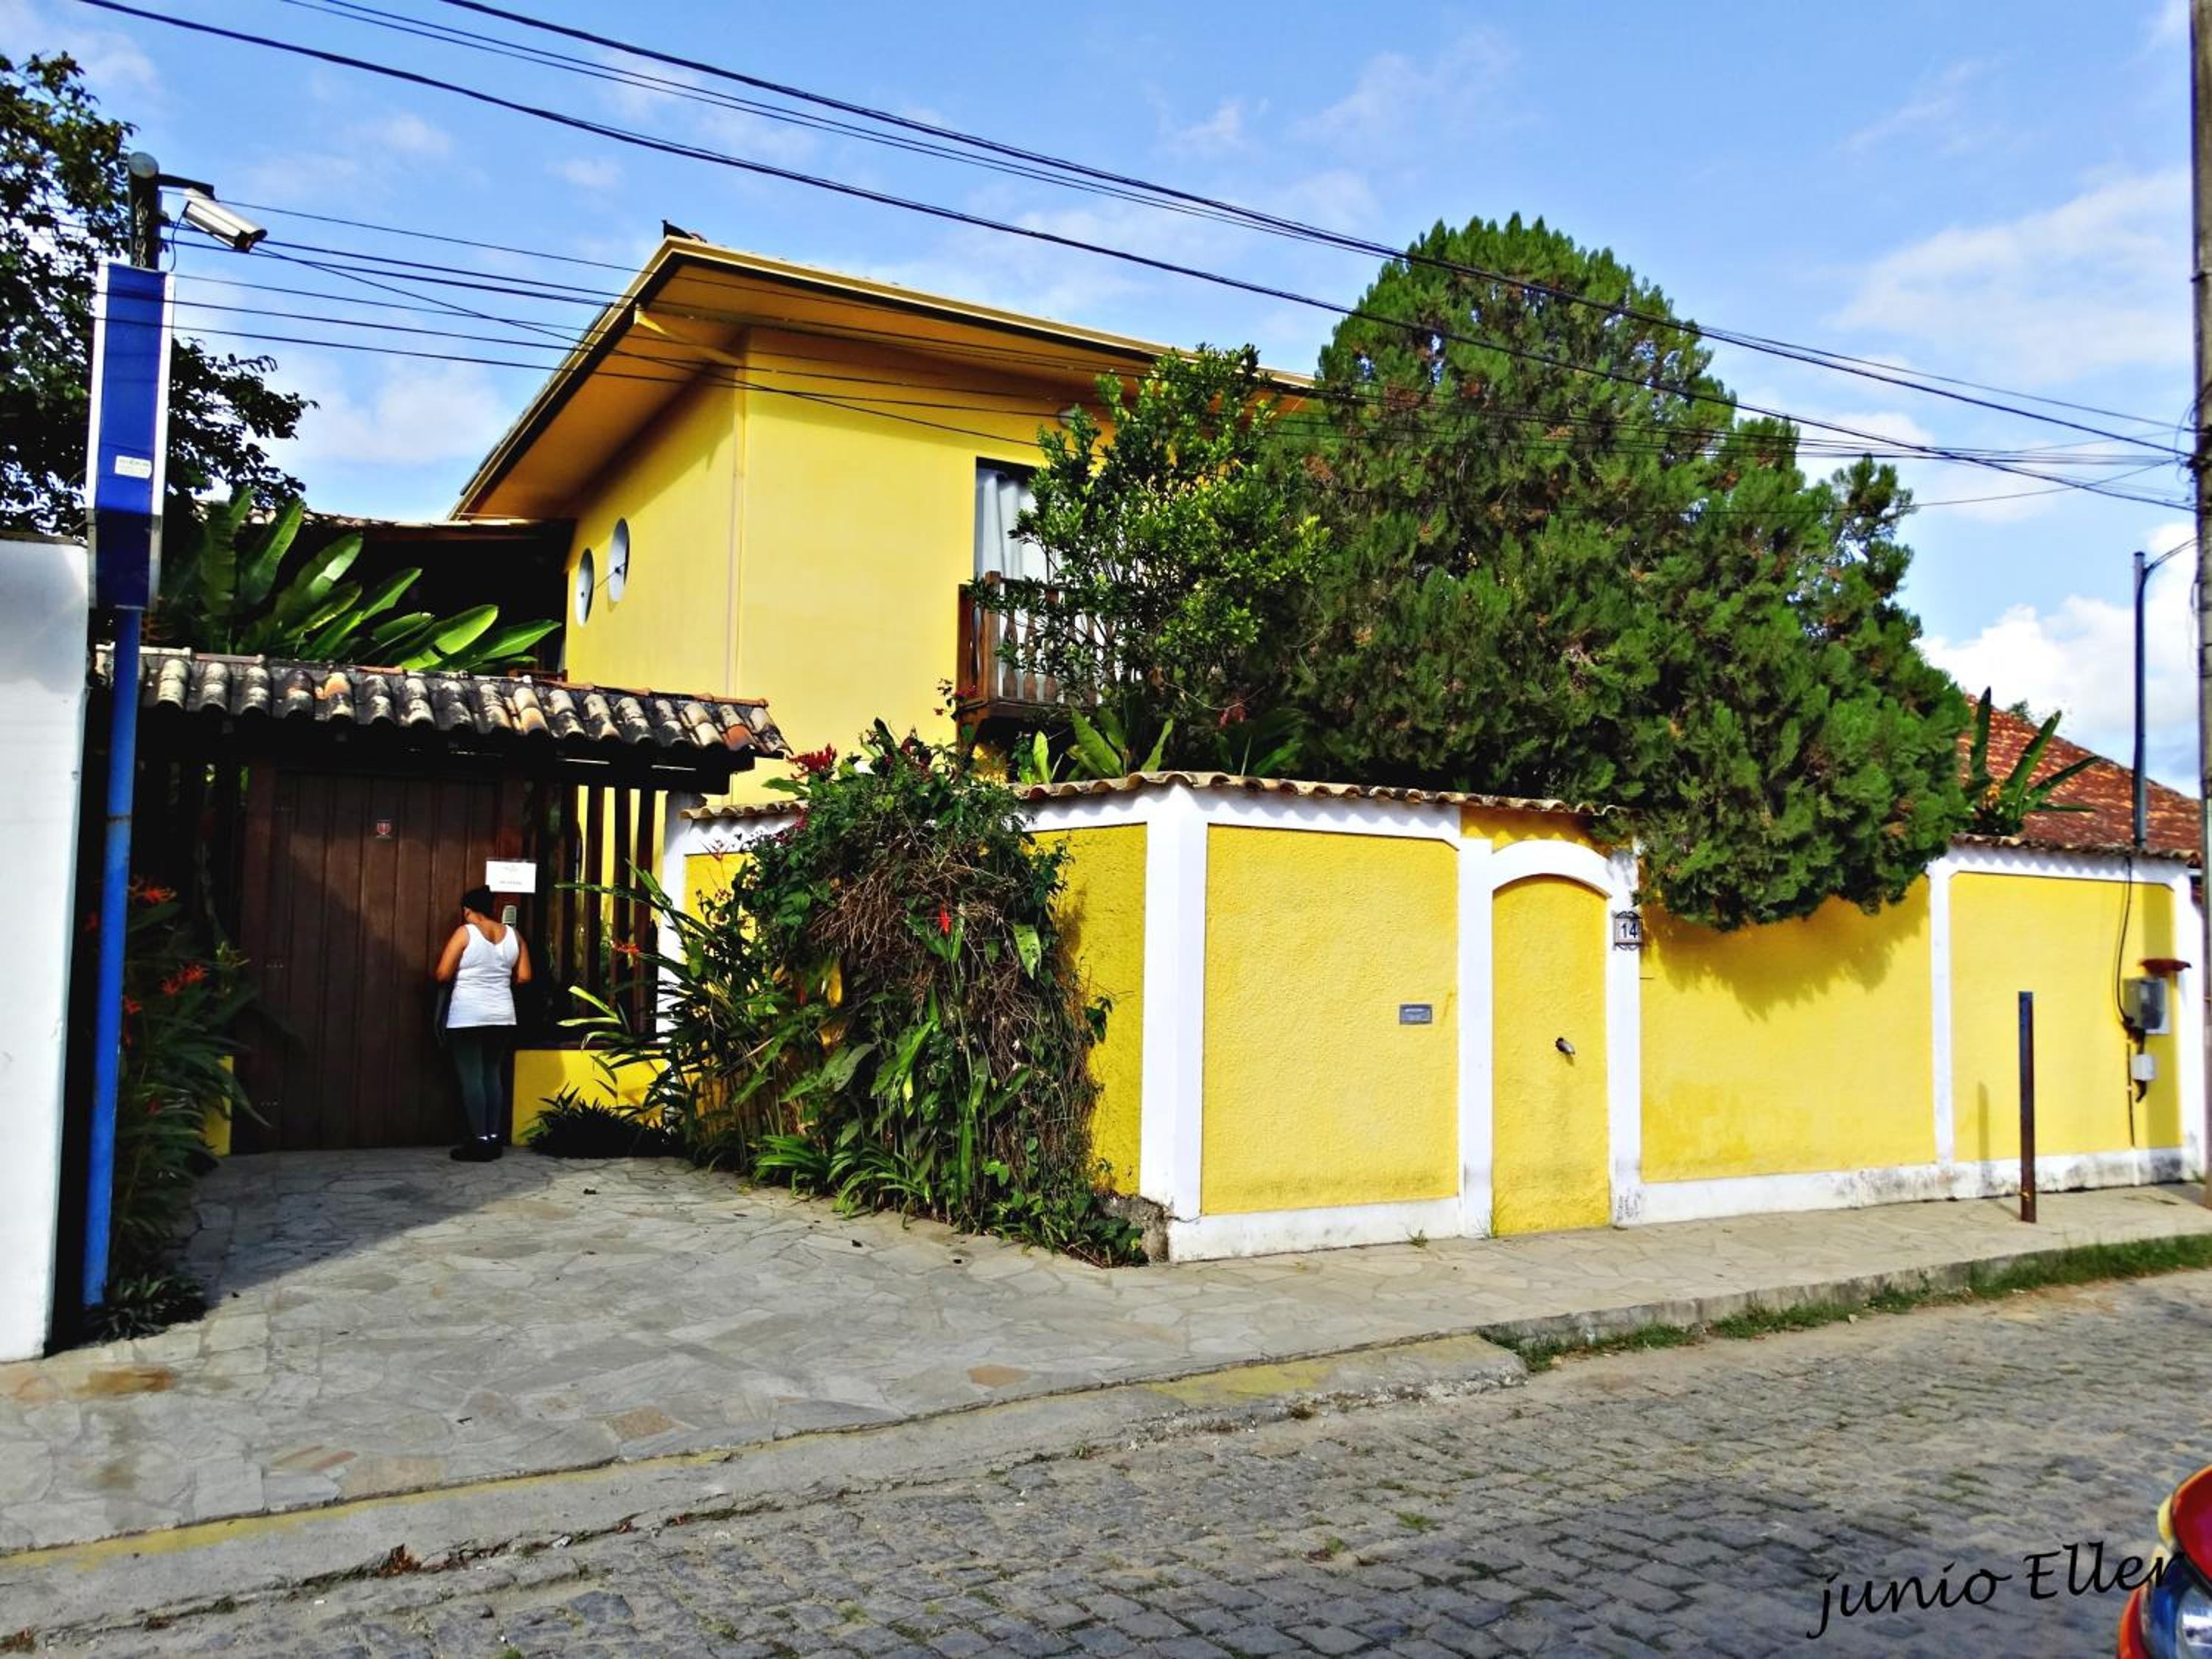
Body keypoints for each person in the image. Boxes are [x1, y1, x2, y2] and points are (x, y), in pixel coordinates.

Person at [434, 885, 531, 1161]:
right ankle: (493, 1138)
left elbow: (442, 973)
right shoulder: (514, 936)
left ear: (467, 910)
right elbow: (524, 977)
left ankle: (479, 1143)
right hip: (502, 1016)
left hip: (467, 1016)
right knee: (492, 1076)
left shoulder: (465, 933)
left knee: (471, 1079)